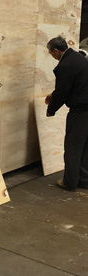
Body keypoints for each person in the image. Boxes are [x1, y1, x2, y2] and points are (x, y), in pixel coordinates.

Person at [45, 36, 88, 191]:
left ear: (56, 51)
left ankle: (70, 182)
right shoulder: (79, 58)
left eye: (51, 53)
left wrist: (51, 109)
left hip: (81, 111)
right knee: (85, 147)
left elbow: (63, 91)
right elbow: (75, 84)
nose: (52, 56)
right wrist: (54, 95)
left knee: (72, 147)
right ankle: (84, 180)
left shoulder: (65, 65)